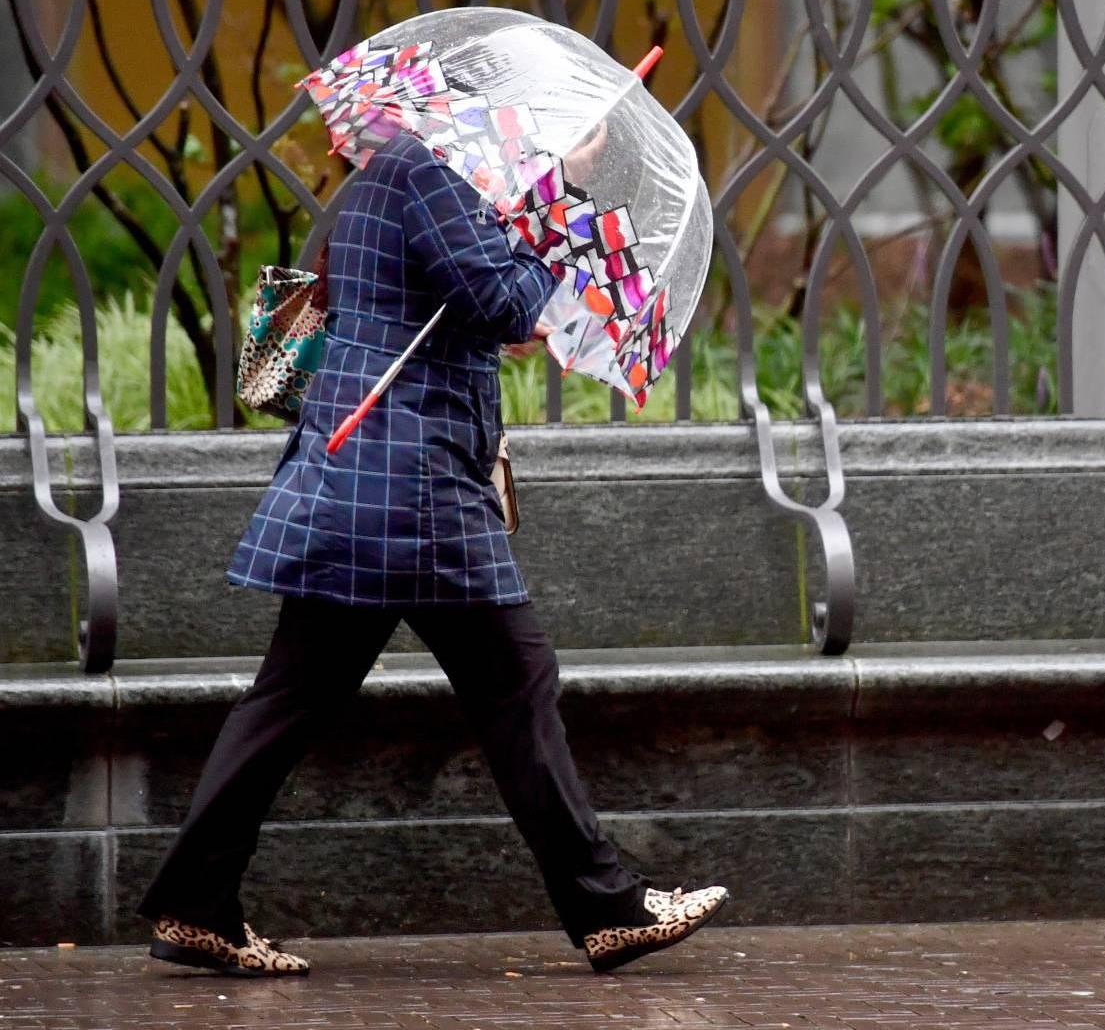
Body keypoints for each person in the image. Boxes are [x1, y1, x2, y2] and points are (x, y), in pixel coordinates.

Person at [136, 129, 727, 978]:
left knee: (290, 700)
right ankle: (609, 908)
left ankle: (196, 905)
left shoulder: (417, 170)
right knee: (514, 684)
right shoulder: (429, 169)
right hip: (409, 488)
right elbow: (506, 304)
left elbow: (458, 301)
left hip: (371, 479)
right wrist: (565, 194)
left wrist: (521, 231)